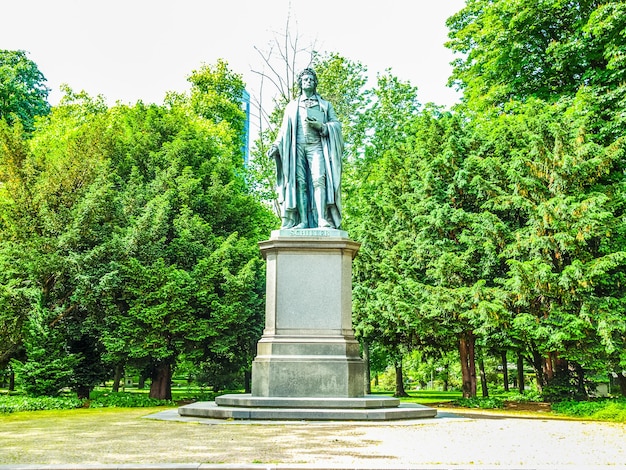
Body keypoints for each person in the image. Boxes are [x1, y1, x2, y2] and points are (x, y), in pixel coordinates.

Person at [268, 68, 344, 229]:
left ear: (315, 83)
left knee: (319, 180)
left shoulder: (324, 105)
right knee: (300, 184)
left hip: (317, 146)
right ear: (300, 84)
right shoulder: (292, 106)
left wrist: (322, 126)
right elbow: (283, 130)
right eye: (305, 80)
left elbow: (336, 125)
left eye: (311, 79)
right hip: (297, 148)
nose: (308, 81)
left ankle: (322, 219)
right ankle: (302, 221)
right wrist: (276, 145)